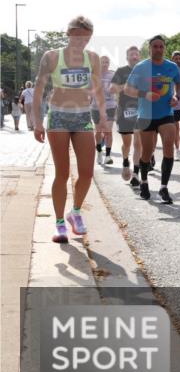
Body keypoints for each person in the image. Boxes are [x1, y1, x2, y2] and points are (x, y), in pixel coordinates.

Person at [32, 16, 109, 242]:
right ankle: (58, 224)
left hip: (83, 116)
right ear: (68, 34)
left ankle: (75, 212)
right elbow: (38, 91)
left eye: (85, 37)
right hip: (58, 117)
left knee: (87, 173)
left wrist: (103, 119)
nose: (80, 41)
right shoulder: (52, 57)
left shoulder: (93, 58)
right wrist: (37, 122)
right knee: (62, 173)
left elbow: (98, 91)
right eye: (76, 36)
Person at [124, 36, 180, 204]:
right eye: (155, 46)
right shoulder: (141, 67)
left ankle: (164, 187)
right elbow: (128, 89)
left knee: (168, 149)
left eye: (161, 46)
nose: (158, 49)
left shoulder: (171, 67)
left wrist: (177, 96)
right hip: (146, 115)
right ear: (149, 49)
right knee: (147, 153)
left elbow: (178, 84)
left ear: (165, 48)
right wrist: (144, 94)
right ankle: (144, 182)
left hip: (166, 114)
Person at [110, 46, 143, 185]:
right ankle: (125, 162)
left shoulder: (144, 71)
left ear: (139, 56)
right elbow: (112, 89)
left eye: (136, 54)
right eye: (131, 54)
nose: (134, 56)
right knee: (127, 143)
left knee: (138, 143)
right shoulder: (121, 71)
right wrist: (126, 85)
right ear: (127, 57)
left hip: (141, 110)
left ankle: (136, 173)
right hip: (124, 111)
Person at [91, 56, 116, 164]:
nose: (105, 64)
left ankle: (108, 156)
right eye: (103, 62)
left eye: (107, 62)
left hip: (110, 106)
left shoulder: (113, 74)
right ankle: (99, 152)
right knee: (98, 131)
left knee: (108, 131)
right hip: (96, 107)